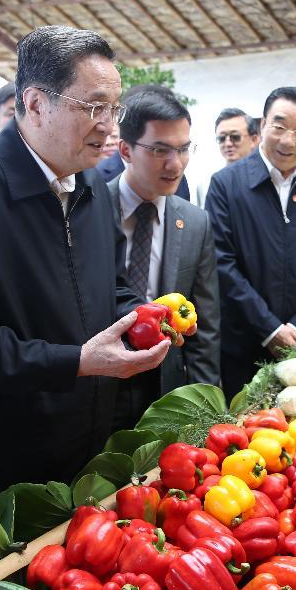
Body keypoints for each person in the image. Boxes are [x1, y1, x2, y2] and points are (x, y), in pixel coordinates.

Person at [0, 26, 170, 575]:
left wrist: (144, 314)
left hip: (78, 457)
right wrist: (76, 362)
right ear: (34, 103)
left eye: (114, 107)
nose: (110, 127)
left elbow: (106, 286)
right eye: (94, 106)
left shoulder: (90, 183)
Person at [205, 86, 296, 399]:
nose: (288, 140)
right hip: (244, 344)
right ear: (261, 127)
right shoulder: (226, 185)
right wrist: (269, 328)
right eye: (279, 126)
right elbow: (221, 262)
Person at [107, 84, 220, 425]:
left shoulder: (196, 222)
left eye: (183, 149)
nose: (175, 164)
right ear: (125, 150)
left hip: (164, 387)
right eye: (160, 150)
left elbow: (206, 326)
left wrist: (205, 410)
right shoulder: (89, 209)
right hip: (99, 383)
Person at [194, 108, 260, 208]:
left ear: (254, 140)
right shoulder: (206, 185)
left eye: (235, 137)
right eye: (222, 138)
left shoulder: (266, 179)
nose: (228, 143)